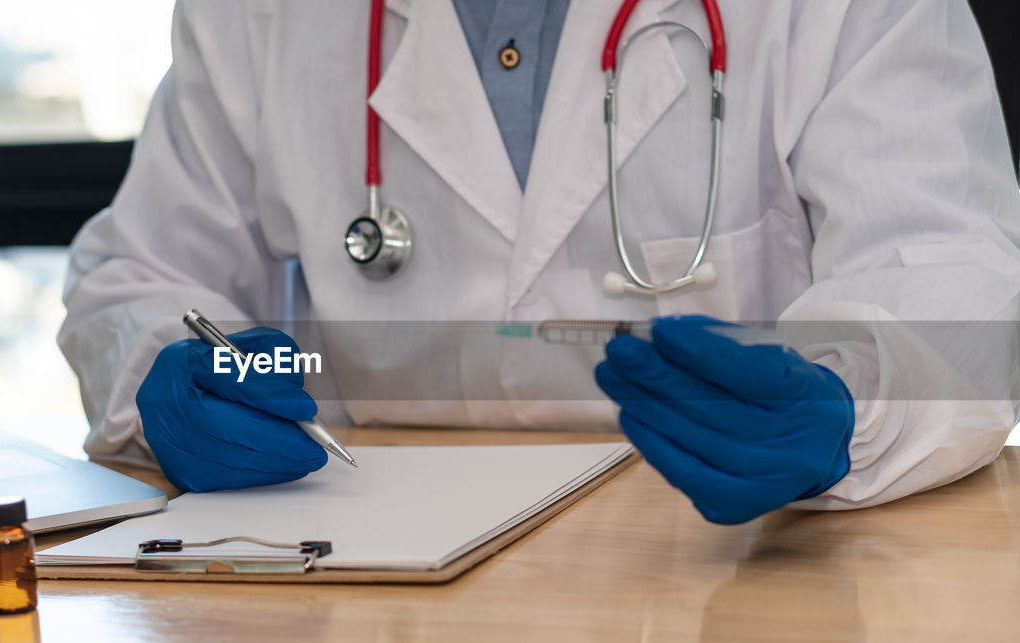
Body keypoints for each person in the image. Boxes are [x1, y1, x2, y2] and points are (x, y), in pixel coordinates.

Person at [59, 0, 1020, 524]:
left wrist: (850, 406)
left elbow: (951, 263)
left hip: (736, 580)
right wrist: (163, 378)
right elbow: (138, 273)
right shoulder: (260, 16)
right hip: (375, 596)